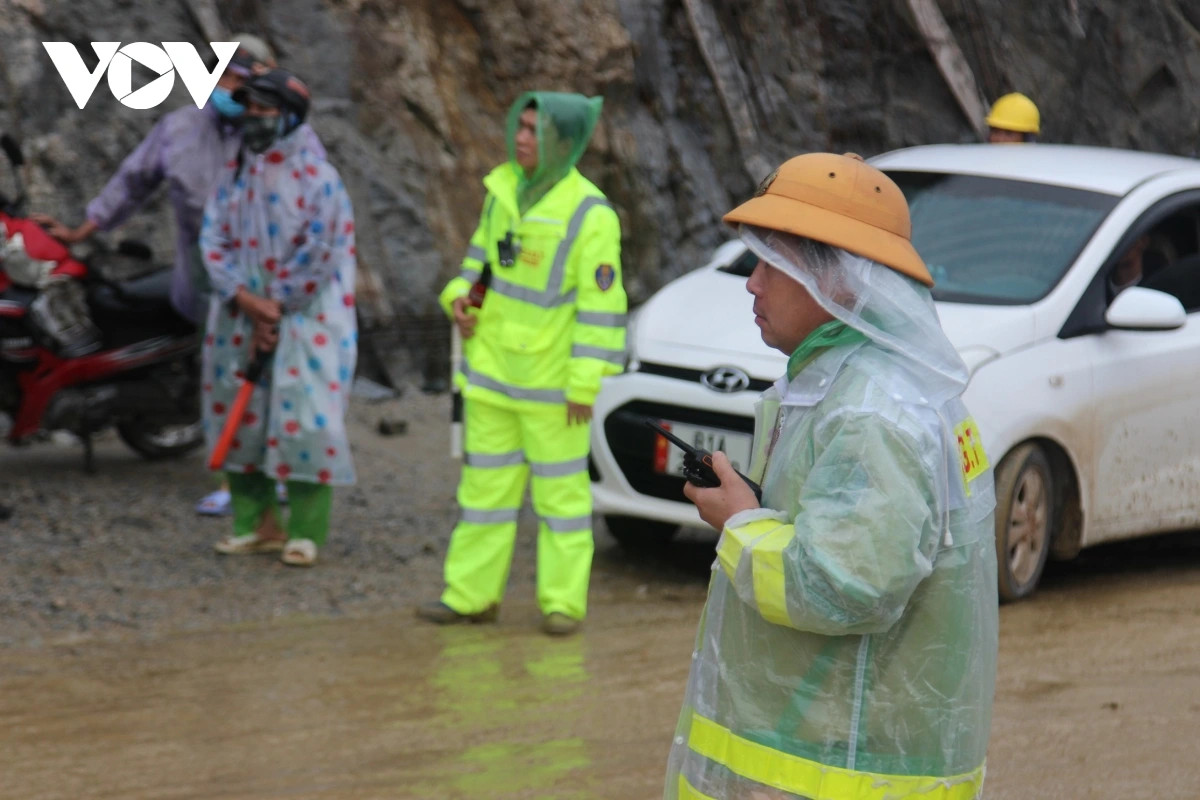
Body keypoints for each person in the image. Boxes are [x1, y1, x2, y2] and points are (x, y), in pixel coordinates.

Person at [664, 152, 999, 799]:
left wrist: (739, 521)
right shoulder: (840, 384)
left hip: (843, 766)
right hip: (824, 747)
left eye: (773, 264)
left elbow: (844, 586)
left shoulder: (873, 409)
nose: (751, 284)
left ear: (839, 282)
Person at [32, 35, 295, 518]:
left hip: (270, 263)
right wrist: (79, 230)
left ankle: (282, 475)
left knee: (279, 371)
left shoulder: (278, 129)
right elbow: (132, 182)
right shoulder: (182, 128)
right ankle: (236, 480)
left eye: (241, 77)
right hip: (206, 268)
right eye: (222, 74)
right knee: (226, 374)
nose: (229, 86)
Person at [417, 91, 626, 636]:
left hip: (555, 392)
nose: (522, 137)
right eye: (521, 126)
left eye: (536, 130)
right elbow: (479, 263)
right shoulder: (501, 189)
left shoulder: (590, 214)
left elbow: (601, 308)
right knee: (483, 499)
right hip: (491, 377)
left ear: (565, 140)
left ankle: (562, 605)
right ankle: (470, 597)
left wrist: (585, 384)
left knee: (561, 502)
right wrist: (460, 299)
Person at [198, 68, 357, 567]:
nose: (254, 119)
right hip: (238, 318)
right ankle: (256, 523)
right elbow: (212, 237)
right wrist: (245, 299)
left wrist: (278, 304)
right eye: (250, 109)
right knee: (239, 416)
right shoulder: (235, 171)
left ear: (289, 116)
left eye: (265, 110)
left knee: (305, 423)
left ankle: (306, 531)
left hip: (305, 324)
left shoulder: (319, 179)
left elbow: (321, 249)